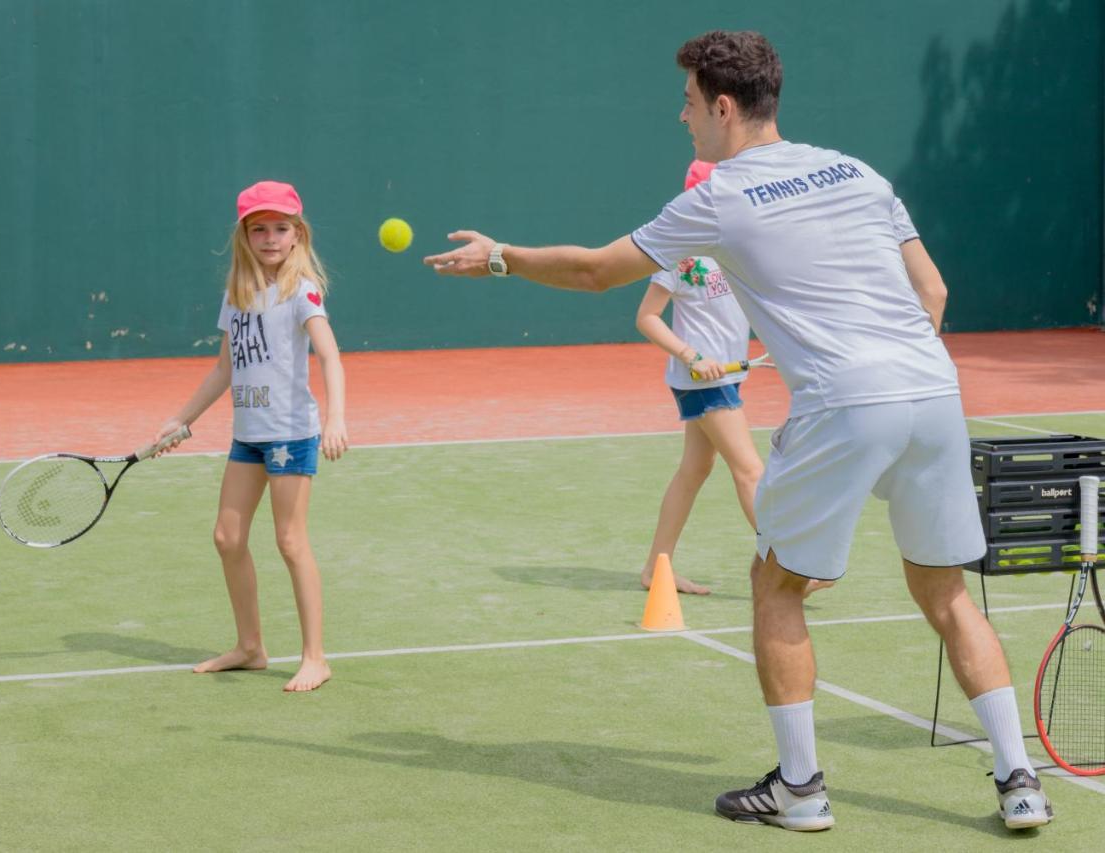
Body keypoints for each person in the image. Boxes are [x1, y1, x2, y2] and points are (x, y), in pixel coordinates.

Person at [424, 30, 1049, 832]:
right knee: (947, 593)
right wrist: (890, 372)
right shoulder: (860, 172)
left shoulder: (718, 194)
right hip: (933, 389)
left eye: (687, 103)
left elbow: (592, 272)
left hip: (842, 403)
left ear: (723, 106)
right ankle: (1018, 778)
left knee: (776, 584)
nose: (681, 117)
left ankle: (800, 789)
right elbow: (932, 288)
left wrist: (501, 257)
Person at [156, 180, 347, 693]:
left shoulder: (302, 290)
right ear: (244, 236)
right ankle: (251, 647)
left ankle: (315, 657)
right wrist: (183, 418)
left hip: (291, 434)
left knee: (289, 540)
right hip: (249, 436)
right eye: (259, 229)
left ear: (297, 234)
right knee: (227, 538)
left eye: (280, 228)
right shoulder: (236, 296)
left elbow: (329, 355)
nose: (270, 238)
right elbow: (224, 369)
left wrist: (335, 419)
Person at [636, 159, 761, 596]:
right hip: (702, 380)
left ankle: (655, 568)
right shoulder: (679, 253)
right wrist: (692, 355)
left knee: (695, 469)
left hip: (727, 375)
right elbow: (647, 317)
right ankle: (791, 567)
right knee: (749, 470)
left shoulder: (736, 248)